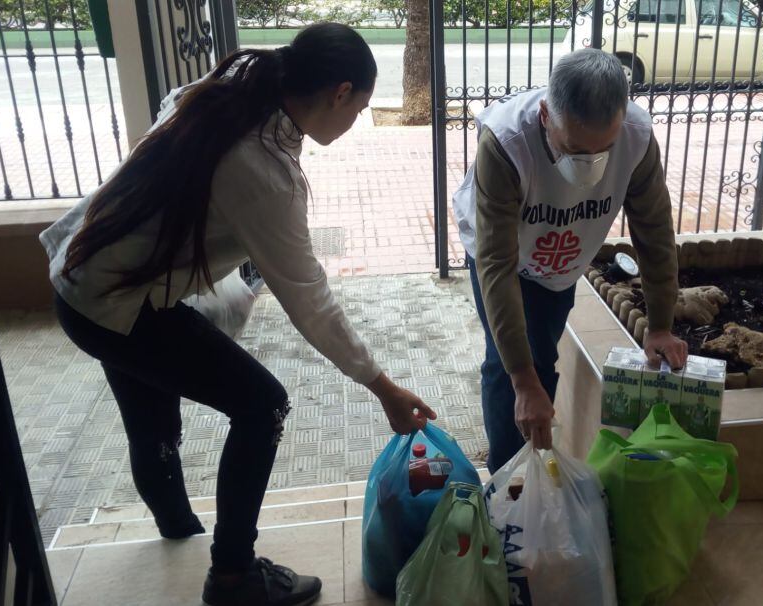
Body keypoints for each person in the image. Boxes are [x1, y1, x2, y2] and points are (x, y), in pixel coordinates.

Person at [40, 24, 434, 606]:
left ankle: (181, 541)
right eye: (360, 109)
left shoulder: (237, 82)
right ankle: (231, 575)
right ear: (339, 92)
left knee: (155, 425)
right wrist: (383, 387)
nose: (354, 123)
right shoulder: (264, 170)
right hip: (116, 301)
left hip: (86, 281)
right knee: (261, 404)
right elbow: (311, 300)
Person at [453, 49, 687, 473]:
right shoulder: (506, 144)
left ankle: (533, 461)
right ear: (545, 115)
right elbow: (497, 265)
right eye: (574, 148)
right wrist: (523, 380)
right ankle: (509, 481)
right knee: (514, 369)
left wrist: (659, 326)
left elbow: (653, 233)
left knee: (541, 356)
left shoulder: (635, 137)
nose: (589, 165)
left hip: (562, 260)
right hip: (504, 254)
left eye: (604, 149)